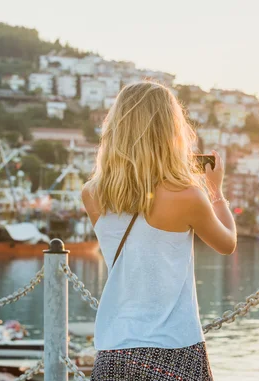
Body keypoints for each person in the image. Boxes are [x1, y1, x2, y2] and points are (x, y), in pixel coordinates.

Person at [82, 80, 236, 380]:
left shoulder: (92, 194)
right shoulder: (189, 196)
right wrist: (216, 192)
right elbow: (227, 243)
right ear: (170, 131)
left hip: (113, 352)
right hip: (174, 348)